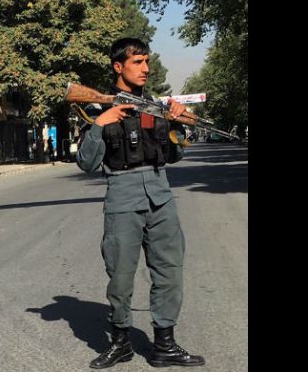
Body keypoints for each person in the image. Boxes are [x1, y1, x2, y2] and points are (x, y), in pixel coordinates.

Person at [76, 38, 205, 369]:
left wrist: (176, 124)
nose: (146, 68)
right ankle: (120, 342)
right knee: (120, 275)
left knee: (169, 270)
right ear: (118, 66)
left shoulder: (157, 108)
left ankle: (165, 344)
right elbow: (88, 163)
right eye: (138, 62)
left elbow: (173, 155)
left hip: (161, 197)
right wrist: (100, 124)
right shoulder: (96, 110)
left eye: (147, 61)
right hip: (122, 197)